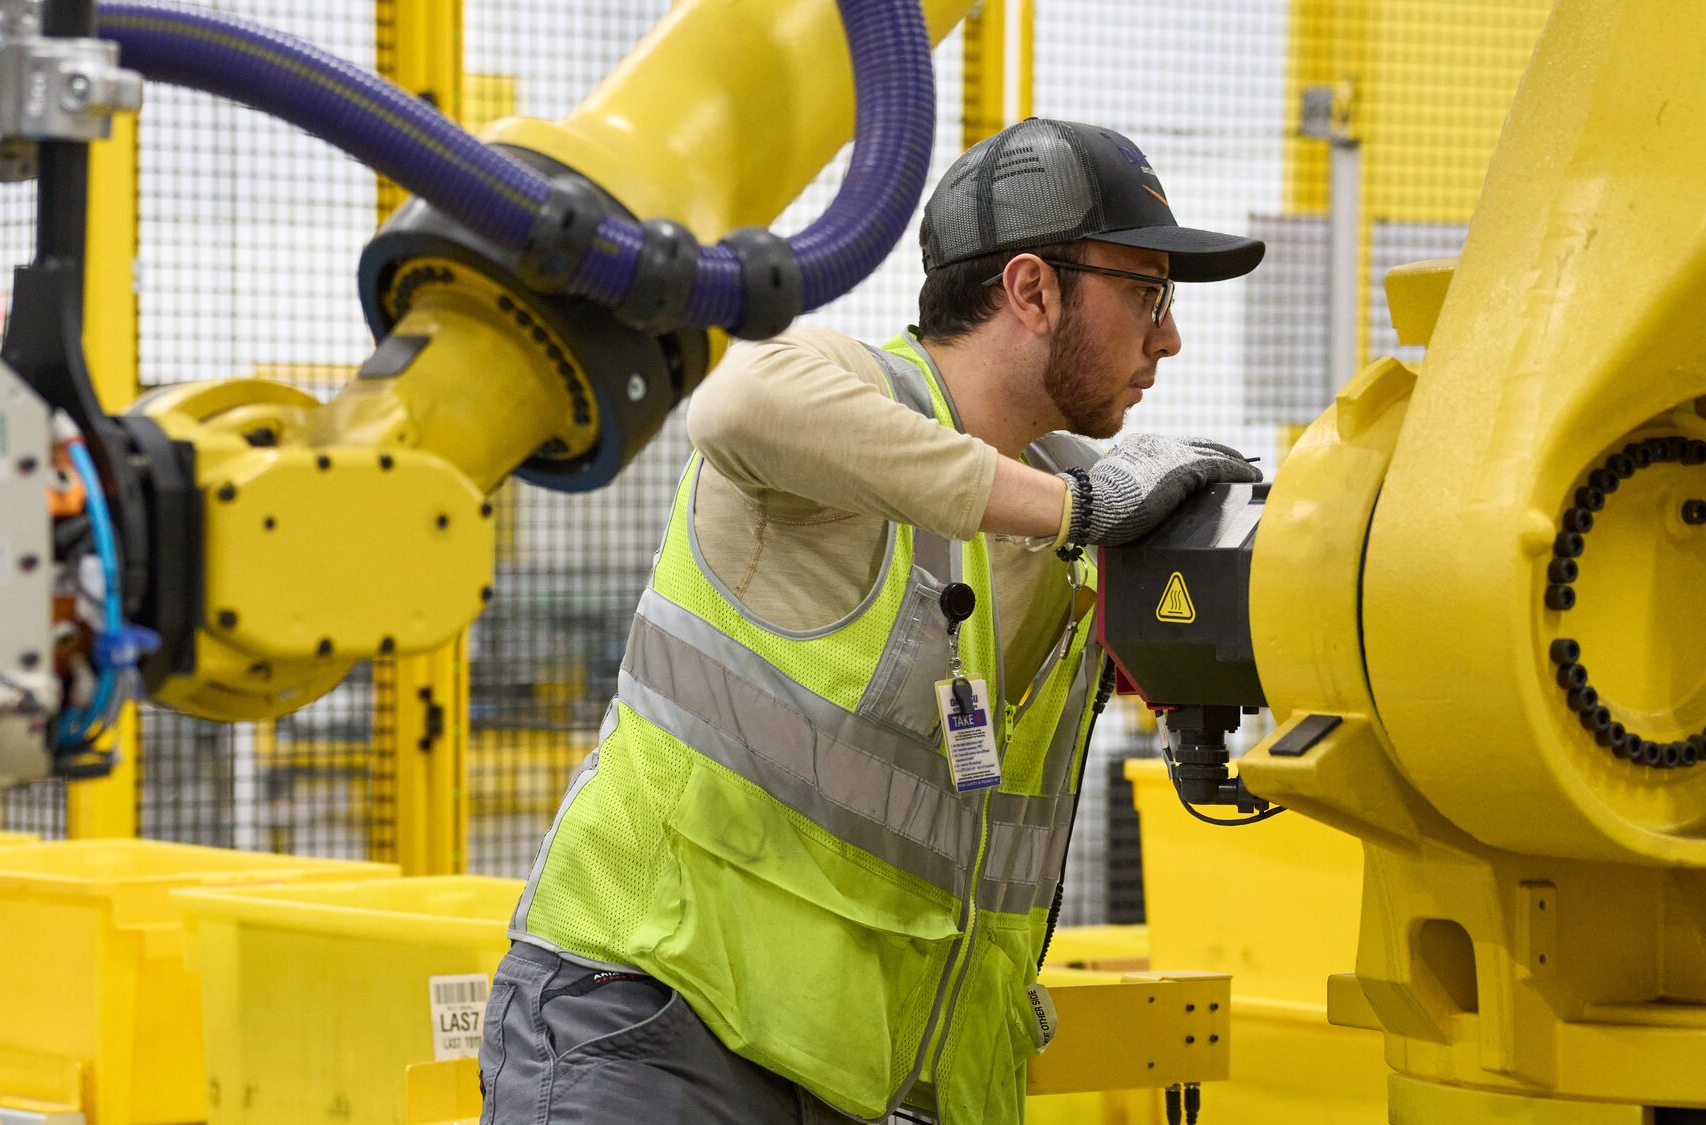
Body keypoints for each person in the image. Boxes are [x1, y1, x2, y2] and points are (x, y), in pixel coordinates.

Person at [478, 117, 1266, 1125]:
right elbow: (734, 404)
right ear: (1030, 290)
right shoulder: (852, 396)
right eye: (1147, 293)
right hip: (661, 1028)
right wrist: (1076, 510)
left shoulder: (1071, 507)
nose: (1168, 336)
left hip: (876, 1086)